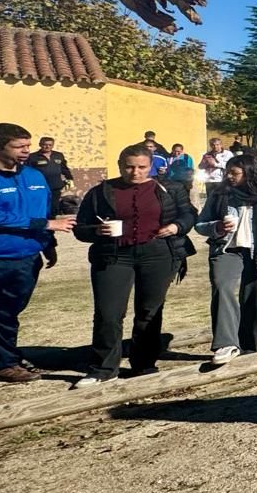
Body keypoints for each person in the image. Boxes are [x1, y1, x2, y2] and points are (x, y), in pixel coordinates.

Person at [70, 143, 195, 386]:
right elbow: (81, 228)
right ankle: (103, 368)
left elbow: (189, 214)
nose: (135, 172)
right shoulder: (102, 191)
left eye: (141, 167)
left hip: (158, 252)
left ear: (151, 166)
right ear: (119, 166)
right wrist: (96, 230)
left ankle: (144, 363)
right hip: (114, 255)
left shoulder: (170, 188)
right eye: (129, 167)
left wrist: (177, 227)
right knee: (108, 312)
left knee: (149, 311)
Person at [195, 153, 257, 366]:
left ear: (250, 174)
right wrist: (216, 227)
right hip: (226, 250)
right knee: (222, 288)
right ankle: (226, 344)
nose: (229, 176)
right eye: (228, 172)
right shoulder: (220, 195)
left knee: (253, 298)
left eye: (234, 173)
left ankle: (248, 345)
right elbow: (200, 225)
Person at [0, 124, 75, 384]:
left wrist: (48, 243)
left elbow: (44, 212)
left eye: (27, 146)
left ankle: (6, 356)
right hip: (2, 257)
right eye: (19, 147)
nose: (26, 151)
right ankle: (6, 363)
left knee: (11, 310)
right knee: (2, 312)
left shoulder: (34, 175)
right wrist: (44, 226)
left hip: (29, 257)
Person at [25, 136, 73, 217]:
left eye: (50, 145)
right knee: (41, 204)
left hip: (56, 185)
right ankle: (41, 220)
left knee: (54, 205)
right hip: (40, 185)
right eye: (45, 144)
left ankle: (52, 222)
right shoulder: (32, 157)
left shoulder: (58, 155)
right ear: (40, 145)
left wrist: (70, 178)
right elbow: (27, 171)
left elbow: (64, 168)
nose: (47, 147)